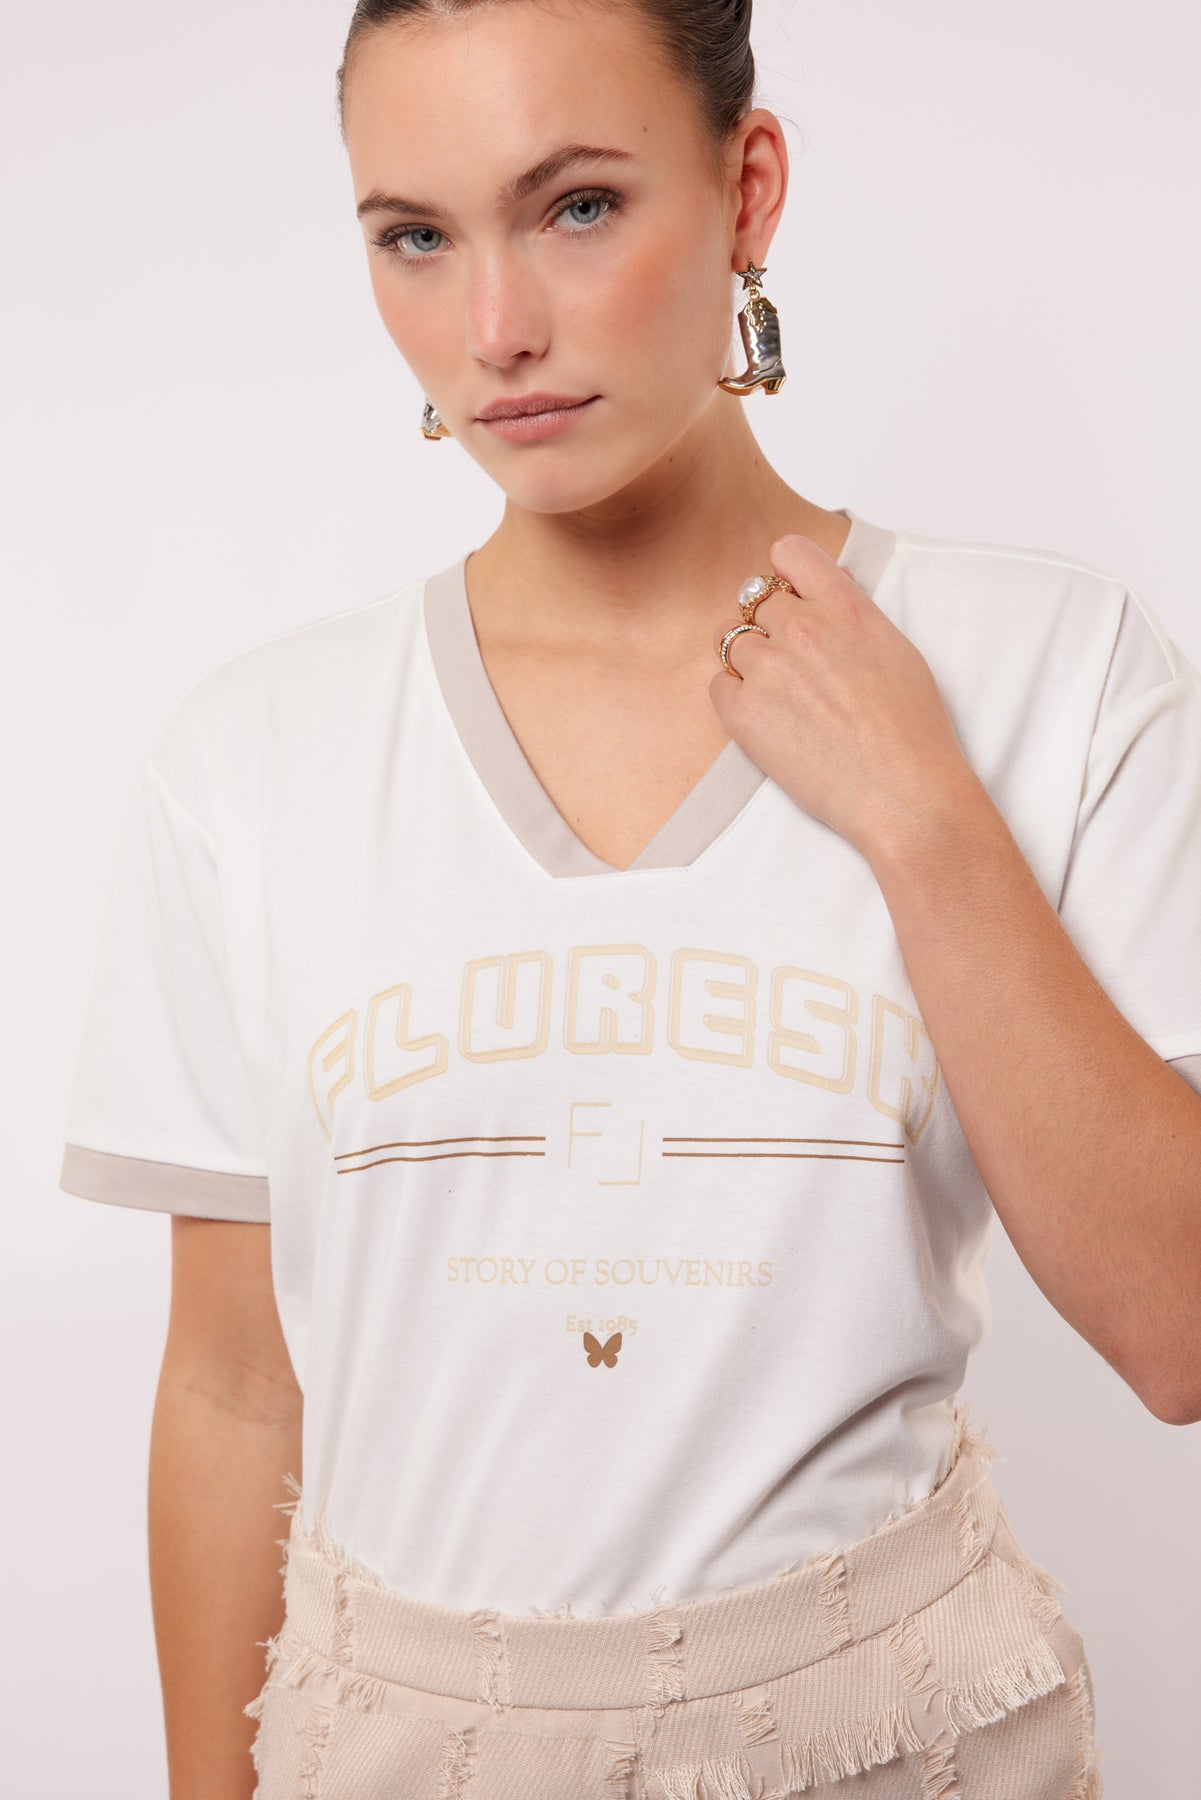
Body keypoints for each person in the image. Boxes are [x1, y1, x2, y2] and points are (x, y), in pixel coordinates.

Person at [57, 0, 1201, 1794]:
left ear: (747, 191)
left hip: (902, 1745)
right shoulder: (253, 759)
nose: (493, 327)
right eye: (414, 237)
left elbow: (1178, 1326)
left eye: (576, 206)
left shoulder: (1047, 666)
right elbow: (228, 1383)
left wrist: (920, 817)